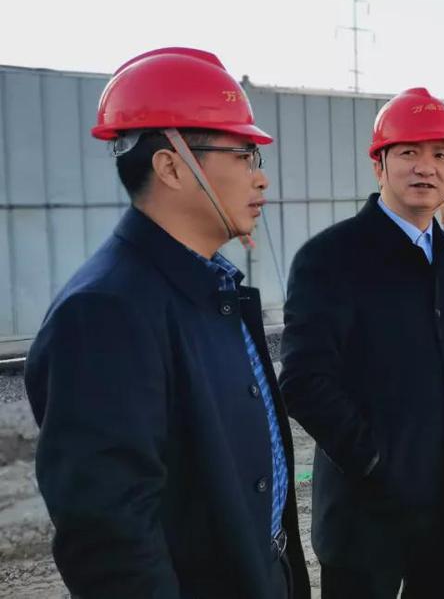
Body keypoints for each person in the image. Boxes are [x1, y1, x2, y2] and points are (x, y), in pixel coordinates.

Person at [24, 47, 309, 598]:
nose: (261, 179)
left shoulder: (206, 288)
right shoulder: (105, 312)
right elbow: (111, 540)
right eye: (244, 155)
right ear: (172, 166)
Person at [279, 87, 444, 598]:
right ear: (379, 165)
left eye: (441, 156)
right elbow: (304, 380)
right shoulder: (332, 257)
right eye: (408, 152)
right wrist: (374, 460)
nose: (426, 167)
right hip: (366, 515)